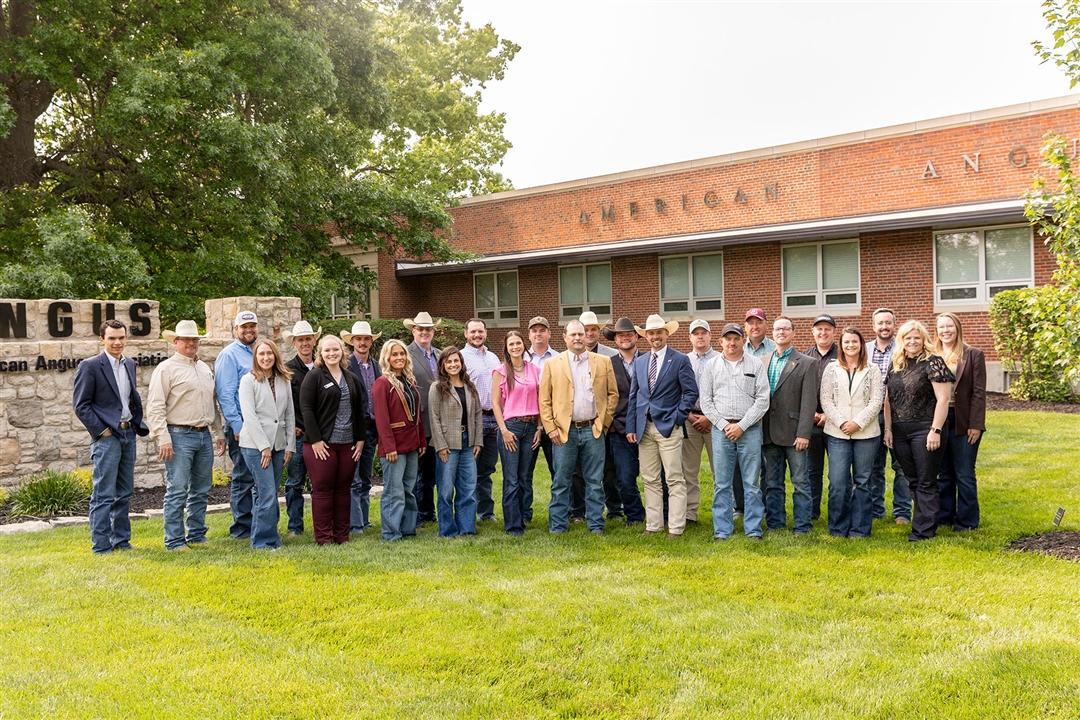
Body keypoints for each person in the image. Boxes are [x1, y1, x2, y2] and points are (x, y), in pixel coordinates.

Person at [145, 320, 225, 551]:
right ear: (176, 342)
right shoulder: (166, 369)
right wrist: (163, 437)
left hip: (203, 436)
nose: (191, 343)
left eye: (195, 339)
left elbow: (212, 403)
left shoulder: (204, 368)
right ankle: (174, 540)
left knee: (201, 488)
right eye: (186, 339)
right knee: (178, 489)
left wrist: (218, 432)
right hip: (178, 435)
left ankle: (197, 535)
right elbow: (156, 406)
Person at [73, 319, 150, 554]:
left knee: (124, 492)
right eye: (112, 338)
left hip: (128, 433)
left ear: (126, 338)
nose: (117, 342)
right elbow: (81, 405)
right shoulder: (90, 366)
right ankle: (101, 545)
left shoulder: (129, 364)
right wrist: (102, 431)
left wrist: (136, 423)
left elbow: (128, 399)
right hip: (107, 437)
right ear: (102, 339)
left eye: (121, 338)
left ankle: (122, 541)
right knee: (104, 494)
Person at [539, 320, 619, 534]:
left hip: (593, 428)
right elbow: (544, 400)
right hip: (564, 431)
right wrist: (551, 428)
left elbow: (613, 395)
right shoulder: (552, 364)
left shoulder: (603, 362)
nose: (577, 338)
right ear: (564, 337)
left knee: (594, 480)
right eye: (573, 334)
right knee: (561, 480)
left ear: (586, 336)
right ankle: (558, 526)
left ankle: (595, 525)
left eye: (580, 334)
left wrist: (604, 423)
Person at [626, 314, 698, 537]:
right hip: (643, 429)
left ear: (667, 334)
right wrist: (631, 426)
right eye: (651, 333)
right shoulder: (640, 362)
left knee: (674, 478)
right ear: (646, 336)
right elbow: (634, 396)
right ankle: (654, 525)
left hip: (669, 427)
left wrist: (678, 417)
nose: (655, 336)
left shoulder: (679, 360)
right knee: (650, 478)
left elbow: (691, 392)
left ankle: (676, 527)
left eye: (659, 332)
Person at [884, 320, 954, 542]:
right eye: (907, 338)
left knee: (926, 480)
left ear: (924, 340)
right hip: (899, 430)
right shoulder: (896, 364)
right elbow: (888, 400)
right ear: (901, 341)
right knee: (912, 479)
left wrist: (936, 430)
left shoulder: (933, 362)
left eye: (916, 337)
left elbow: (944, 399)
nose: (912, 342)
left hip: (925, 428)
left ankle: (923, 531)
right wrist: (888, 429)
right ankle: (923, 521)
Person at [699, 323, 771, 540]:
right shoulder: (711, 366)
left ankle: (753, 529)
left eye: (736, 338)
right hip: (721, 431)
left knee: (751, 482)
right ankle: (722, 530)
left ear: (743, 340)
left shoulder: (755, 364)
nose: (732, 343)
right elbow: (706, 401)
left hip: (749, 429)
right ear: (720, 341)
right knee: (722, 482)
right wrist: (723, 425)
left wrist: (742, 425)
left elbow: (762, 399)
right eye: (727, 339)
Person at [300, 335, 367, 545]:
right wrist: (316, 440)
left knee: (343, 490)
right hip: (322, 446)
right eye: (327, 350)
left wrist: (360, 439)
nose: (331, 354)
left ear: (342, 351)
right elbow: (306, 410)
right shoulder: (314, 377)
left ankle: (341, 536)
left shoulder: (351, 377)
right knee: (322, 491)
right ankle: (324, 538)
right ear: (320, 353)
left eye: (335, 349)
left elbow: (360, 410)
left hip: (348, 445)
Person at [820, 326, 884, 538]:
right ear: (841, 345)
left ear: (861, 344)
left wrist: (857, 422)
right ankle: (838, 528)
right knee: (838, 482)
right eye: (846, 342)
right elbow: (826, 399)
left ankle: (860, 529)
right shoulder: (831, 369)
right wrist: (841, 422)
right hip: (837, 434)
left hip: (866, 434)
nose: (850, 345)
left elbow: (876, 401)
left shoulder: (872, 369)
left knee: (863, 481)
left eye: (854, 342)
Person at [761, 316, 818, 535]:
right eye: (777, 329)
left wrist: (804, 433)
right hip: (769, 432)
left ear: (793, 333)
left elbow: (809, 401)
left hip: (795, 434)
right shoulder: (763, 361)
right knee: (773, 482)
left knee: (801, 482)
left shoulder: (806, 363)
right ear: (772, 333)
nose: (781, 332)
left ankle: (802, 525)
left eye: (785, 328)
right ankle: (776, 523)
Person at [238, 339, 295, 550]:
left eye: (269, 354)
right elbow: (249, 417)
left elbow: (290, 414)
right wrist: (264, 447)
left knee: (266, 493)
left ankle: (270, 536)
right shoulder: (248, 380)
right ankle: (263, 542)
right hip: (255, 446)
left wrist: (290, 446)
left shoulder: (284, 380)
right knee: (267, 493)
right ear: (255, 357)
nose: (265, 358)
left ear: (275, 356)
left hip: (279, 444)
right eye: (261, 354)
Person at [933, 312, 986, 531]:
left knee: (964, 472)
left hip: (964, 419)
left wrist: (976, 424)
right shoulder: (932, 355)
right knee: (944, 472)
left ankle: (967, 521)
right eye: (941, 327)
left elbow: (979, 392)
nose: (945, 331)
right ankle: (945, 515)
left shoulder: (973, 354)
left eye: (949, 326)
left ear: (957, 328)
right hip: (939, 418)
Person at [373, 339, 427, 542]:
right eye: (394, 354)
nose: (399, 358)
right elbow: (382, 418)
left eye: (402, 354)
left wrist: (421, 440)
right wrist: (389, 446)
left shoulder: (410, 381)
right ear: (387, 358)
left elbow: (417, 415)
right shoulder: (382, 383)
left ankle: (408, 528)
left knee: (409, 489)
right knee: (394, 491)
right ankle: (391, 532)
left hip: (412, 444)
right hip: (393, 446)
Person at [214, 309, 259, 539]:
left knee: (257, 477)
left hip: (260, 427)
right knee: (243, 476)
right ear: (235, 330)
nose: (249, 330)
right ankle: (241, 528)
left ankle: (256, 523)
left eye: (252, 326)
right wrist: (238, 426)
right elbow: (225, 395)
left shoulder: (256, 352)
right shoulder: (229, 355)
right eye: (244, 327)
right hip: (241, 429)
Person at [428, 346, 482, 537]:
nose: (453, 364)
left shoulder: (470, 386)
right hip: (447, 445)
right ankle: (448, 530)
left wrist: (478, 441)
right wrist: (440, 445)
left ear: (461, 363)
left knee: (468, 488)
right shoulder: (437, 387)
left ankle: (466, 528)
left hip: (468, 443)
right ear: (442, 365)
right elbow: (434, 418)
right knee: (445, 490)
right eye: (448, 361)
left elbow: (477, 415)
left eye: (456, 361)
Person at [492, 331, 542, 535]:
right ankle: (513, 525)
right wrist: (503, 430)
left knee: (525, 477)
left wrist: (539, 428)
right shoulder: (501, 371)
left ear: (524, 345)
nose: (515, 347)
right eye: (511, 344)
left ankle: (523, 515)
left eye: (518, 343)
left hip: (531, 427)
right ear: (506, 347)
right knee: (511, 478)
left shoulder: (535, 370)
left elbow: (541, 400)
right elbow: (495, 403)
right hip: (511, 427)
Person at [866, 307, 911, 525]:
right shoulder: (863, 349)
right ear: (873, 326)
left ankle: (902, 511)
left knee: (901, 465)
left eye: (888, 323)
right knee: (874, 465)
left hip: (900, 415)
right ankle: (876, 510)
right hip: (871, 415)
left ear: (895, 325)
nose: (884, 327)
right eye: (880, 323)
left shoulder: (904, 349)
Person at [603, 317, 647, 525]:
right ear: (615, 339)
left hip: (648, 426)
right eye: (621, 335)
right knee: (625, 477)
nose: (625, 338)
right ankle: (635, 516)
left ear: (637, 336)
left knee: (657, 476)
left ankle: (663, 514)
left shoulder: (649, 360)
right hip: (619, 429)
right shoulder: (607, 365)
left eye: (629, 334)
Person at [732, 308, 774, 517]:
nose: (755, 327)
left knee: (765, 463)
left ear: (766, 325)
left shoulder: (775, 349)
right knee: (739, 463)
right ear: (745, 326)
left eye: (759, 322)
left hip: (768, 414)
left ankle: (764, 505)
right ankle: (740, 506)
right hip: (740, 416)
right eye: (750, 323)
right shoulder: (738, 349)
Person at [460, 318, 502, 522]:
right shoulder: (460, 358)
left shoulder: (494, 358)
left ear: (485, 333)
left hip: (494, 420)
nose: (477, 335)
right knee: (469, 469)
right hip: (472, 420)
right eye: (473, 332)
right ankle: (468, 512)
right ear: (466, 334)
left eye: (480, 331)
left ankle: (486, 512)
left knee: (487, 469)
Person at [341, 320, 381, 533]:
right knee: (353, 477)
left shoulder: (377, 365)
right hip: (354, 428)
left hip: (373, 428)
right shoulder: (346, 365)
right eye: (359, 339)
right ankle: (355, 523)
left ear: (371, 342)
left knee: (366, 476)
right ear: (352, 342)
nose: (363, 343)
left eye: (366, 339)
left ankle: (364, 519)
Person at [283, 319, 320, 536]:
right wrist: (292, 427)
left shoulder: (322, 366)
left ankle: (320, 524)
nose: (305, 343)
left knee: (319, 483)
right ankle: (295, 527)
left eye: (308, 339)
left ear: (314, 340)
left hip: (320, 436)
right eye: (300, 340)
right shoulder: (287, 369)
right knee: (295, 482)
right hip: (298, 434)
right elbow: (285, 403)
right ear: (294, 343)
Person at [405, 311, 442, 525]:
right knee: (418, 473)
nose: (424, 332)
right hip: (418, 422)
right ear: (413, 331)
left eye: (428, 329)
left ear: (433, 332)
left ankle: (429, 511)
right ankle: (419, 513)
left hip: (439, 422)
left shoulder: (439, 354)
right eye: (421, 329)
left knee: (432, 472)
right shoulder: (406, 354)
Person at [683, 319, 719, 524]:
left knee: (720, 469)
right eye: (695, 333)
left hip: (716, 420)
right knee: (689, 470)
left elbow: (725, 392)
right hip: (690, 419)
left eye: (703, 332)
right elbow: (678, 391)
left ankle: (725, 511)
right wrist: (688, 415)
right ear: (690, 337)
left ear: (710, 335)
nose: (700, 336)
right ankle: (690, 513)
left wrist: (710, 417)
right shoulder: (683, 360)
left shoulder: (721, 358)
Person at [804, 313, 838, 521]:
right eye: (819, 329)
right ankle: (812, 512)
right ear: (813, 331)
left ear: (834, 332)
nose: (823, 332)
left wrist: (829, 414)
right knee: (811, 471)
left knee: (837, 473)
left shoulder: (844, 354)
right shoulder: (805, 357)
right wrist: (814, 414)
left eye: (827, 329)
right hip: (811, 423)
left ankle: (837, 513)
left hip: (836, 423)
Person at [524, 315, 558, 519]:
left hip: (554, 422)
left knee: (559, 470)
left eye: (542, 330)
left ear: (549, 333)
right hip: (528, 425)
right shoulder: (519, 357)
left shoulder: (559, 358)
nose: (538, 334)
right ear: (529, 334)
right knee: (525, 472)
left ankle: (562, 512)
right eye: (534, 330)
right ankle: (525, 513)